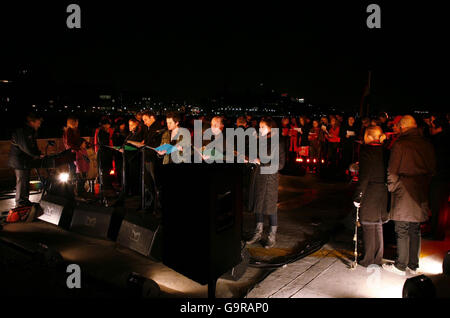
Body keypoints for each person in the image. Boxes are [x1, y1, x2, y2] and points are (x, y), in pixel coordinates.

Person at [383, 115, 436, 275]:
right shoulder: (427, 144)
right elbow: (433, 170)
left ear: (403, 127)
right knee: (415, 229)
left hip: (403, 189)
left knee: (402, 228)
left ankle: (401, 265)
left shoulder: (401, 144)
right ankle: (413, 265)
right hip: (420, 190)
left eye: (398, 126)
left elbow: (392, 170)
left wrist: (393, 187)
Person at [246, 117, 286, 249]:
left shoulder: (277, 142)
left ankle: (271, 236)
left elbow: (280, 164)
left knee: (270, 208)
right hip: (258, 177)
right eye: (259, 127)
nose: (260, 129)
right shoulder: (260, 141)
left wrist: (261, 162)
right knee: (258, 205)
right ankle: (257, 233)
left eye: (263, 127)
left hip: (270, 179)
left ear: (270, 128)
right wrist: (249, 159)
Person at [353, 126, 389, 267]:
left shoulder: (367, 151)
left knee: (368, 225)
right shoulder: (385, 151)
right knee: (378, 225)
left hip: (371, 192)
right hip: (382, 191)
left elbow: (364, 177)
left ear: (368, 136)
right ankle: (377, 258)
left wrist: (358, 196)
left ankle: (368, 259)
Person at [8, 113, 43, 207]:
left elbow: (32, 145)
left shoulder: (29, 131)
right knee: (22, 180)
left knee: (25, 181)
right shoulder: (22, 132)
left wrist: (38, 153)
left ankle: (24, 200)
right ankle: (20, 202)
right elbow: (25, 147)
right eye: (38, 122)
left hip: (25, 161)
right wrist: (36, 155)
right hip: (19, 161)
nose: (39, 125)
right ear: (32, 122)